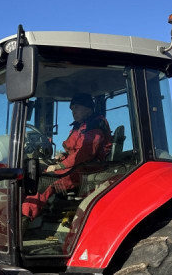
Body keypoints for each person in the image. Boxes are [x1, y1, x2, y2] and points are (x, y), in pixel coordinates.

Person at [21, 93, 111, 224]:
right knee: (35, 170)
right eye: (72, 109)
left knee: (43, 182)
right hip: (77, 165)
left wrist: (59, 166)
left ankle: (24, 219)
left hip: (88, 169)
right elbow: (74, 149)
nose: (73, 112)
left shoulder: (95, 125)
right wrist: (62, 156)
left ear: (88, 108)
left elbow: (85, 153)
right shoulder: (80, 125)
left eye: (76, 108)